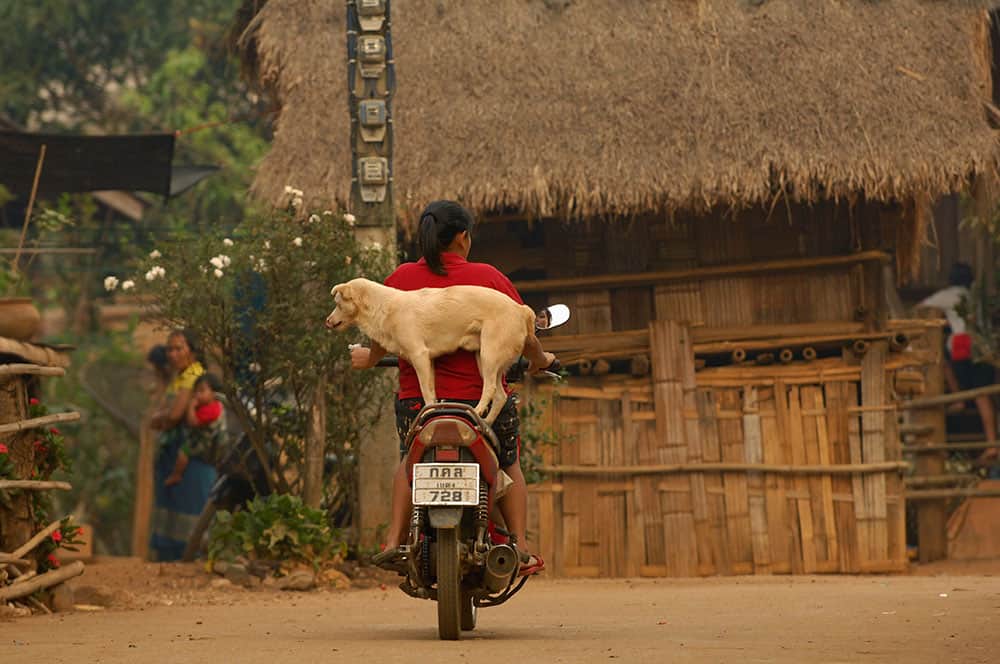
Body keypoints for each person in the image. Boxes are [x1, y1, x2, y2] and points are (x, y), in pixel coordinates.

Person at [350, 200, 555, 575]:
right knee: (509, 461)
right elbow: (522, 333)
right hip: (479, 406)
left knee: (407, 460)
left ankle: (394, 540)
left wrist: (370, 356)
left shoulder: (400, 281)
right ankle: (521, 546)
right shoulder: (489, 278)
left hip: (420, 405)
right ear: (463, 237)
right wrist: (542, 360)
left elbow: (382, 328)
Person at [918, 262, 997, 470]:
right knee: (983, 394)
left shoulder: (950, 295)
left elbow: (920, 307)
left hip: (964, 343)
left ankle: (958, 397)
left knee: (942, 361)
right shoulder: (977, 297)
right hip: (987, 344)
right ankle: (991, 442)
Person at [149, 329, 218, 561]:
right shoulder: (179, 376)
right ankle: (171, 554)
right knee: (173, 505)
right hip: (173, 450)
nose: (173, 353)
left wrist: (163, 419)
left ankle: (191, 554)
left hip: (192, 452)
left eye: (179, 348)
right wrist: (163, 418)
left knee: (192, 505)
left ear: (192, 351)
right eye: (170, 349)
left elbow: (174, 414)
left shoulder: (194, 376)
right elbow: (161, 414)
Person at [165, 373, 226, 487]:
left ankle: (176, 475)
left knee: (183, 452)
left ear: (213, 392)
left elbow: (192, 422)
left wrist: (191, 407)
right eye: (196, 392)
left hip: (206, 443)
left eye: (202, 391)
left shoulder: (212, 410)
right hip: (208, 439)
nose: (197, 395)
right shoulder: (213, 404)